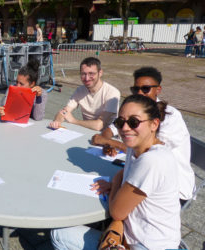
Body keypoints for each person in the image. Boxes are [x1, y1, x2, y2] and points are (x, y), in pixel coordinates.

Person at [51, 94, 181, 250]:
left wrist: (114, 185)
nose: (125, 128)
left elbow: (117, 212)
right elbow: (124, 172)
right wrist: (118, 183)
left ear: (154, 124)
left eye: (134, 122)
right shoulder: (136, 147)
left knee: (59, 235)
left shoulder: (152, 160)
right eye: (121, 122)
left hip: (148, 245)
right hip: (143, 235)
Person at [91, 67, 195, 202]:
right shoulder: (135, 109)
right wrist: (106, 141)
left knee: (111, 206)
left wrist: (110, 142)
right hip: (143, 178)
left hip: (171, 189)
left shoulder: (171, 116)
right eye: (136, 89)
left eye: (145, 89)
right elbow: (112, 129)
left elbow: (147, 150)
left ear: (158, 90)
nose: (140, 93)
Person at [49, 57, 120, 131]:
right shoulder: (80, 90)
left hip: (107, 135)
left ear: (100, 73)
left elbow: (99, 125)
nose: (87, 78)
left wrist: (74, 121)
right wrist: (57, 121)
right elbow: (64, 111)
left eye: (91, 73)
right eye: (83, 74)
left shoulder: (112, 93)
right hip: (86, 131)